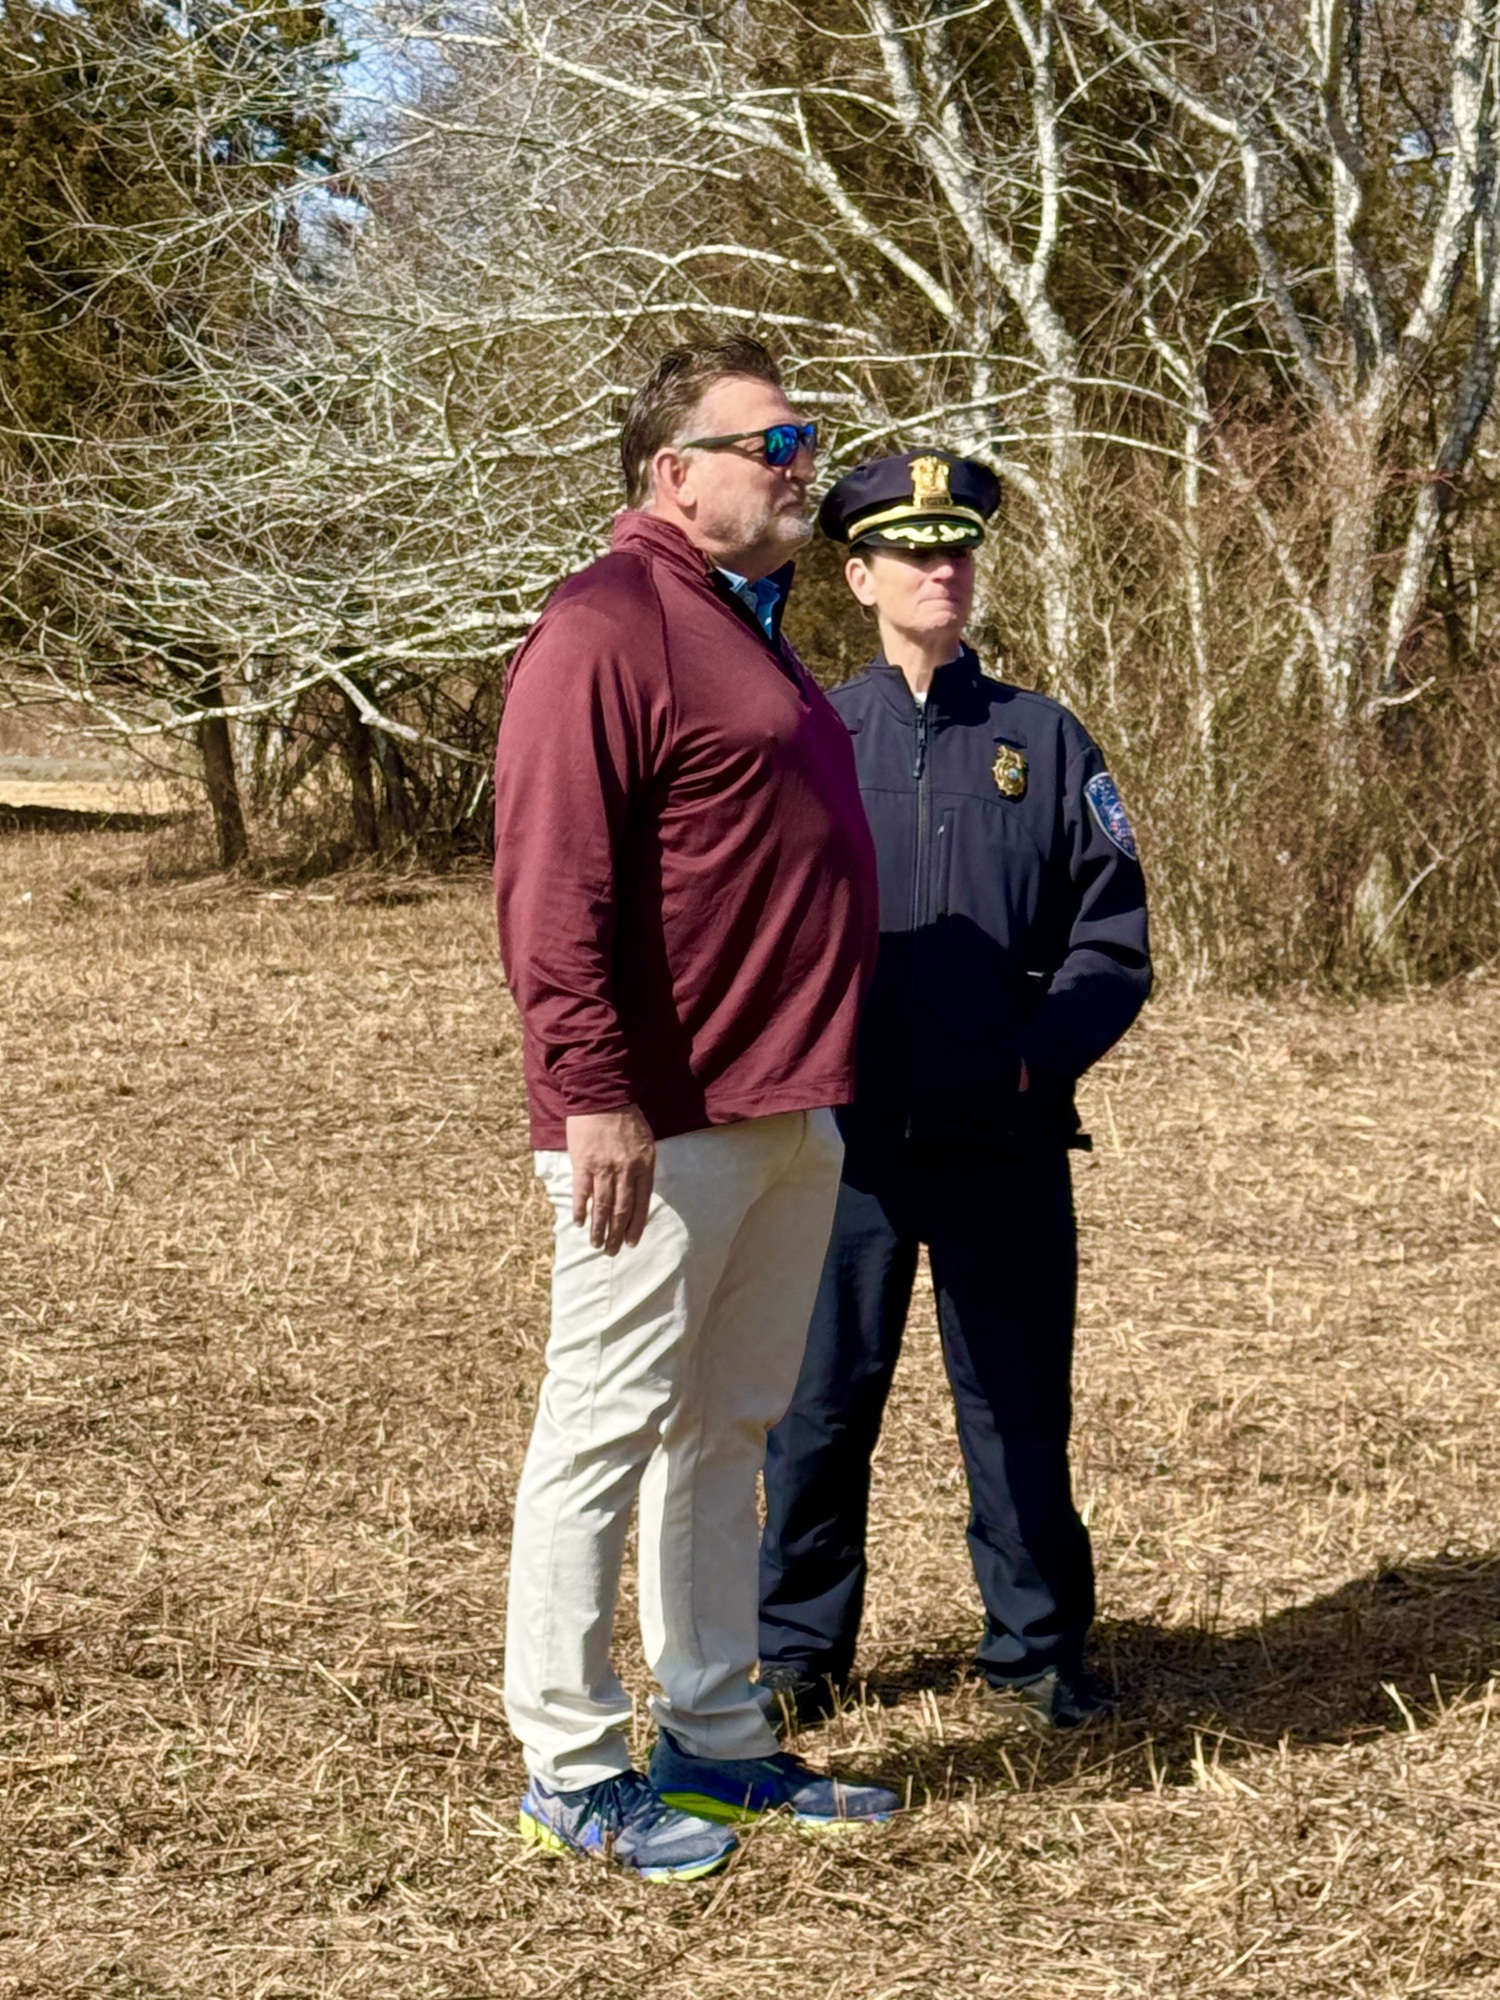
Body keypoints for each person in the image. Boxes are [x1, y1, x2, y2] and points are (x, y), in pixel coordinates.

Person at [492, 336, 899, 1884]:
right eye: (770, 441)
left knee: (725, 1432)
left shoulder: (740, 619)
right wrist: (593, 1093)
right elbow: (551, 882)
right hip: (661, 1124)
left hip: (787, 1104)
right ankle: (570, 1760)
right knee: (600, 1432)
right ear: (677, 474)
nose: (801, 461)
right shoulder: (610, 623)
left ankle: (717, 1741)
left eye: (804, 436)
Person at [757, 449, 1152, 1732]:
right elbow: (760, 925)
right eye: (915, 551)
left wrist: (1038, 1055)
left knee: (1019, 1406)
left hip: (1006, 1140)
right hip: (844, 1149)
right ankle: (795, 1655)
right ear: (859, 574)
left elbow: (1112, 940)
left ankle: (1038, 1651)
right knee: (816, 1410)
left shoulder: (1041, 738)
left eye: (959, 549)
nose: (944, 570)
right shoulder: (811, 735)